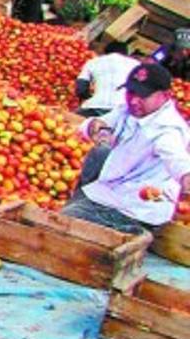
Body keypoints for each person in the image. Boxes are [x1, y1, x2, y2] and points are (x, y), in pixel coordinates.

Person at [62, 62, 190, 235]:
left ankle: (133, 231)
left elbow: (177, 159)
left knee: (65, 222)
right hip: (112, 192)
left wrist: (186, 179)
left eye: (143, 96)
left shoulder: (167, 130)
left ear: (165, 96)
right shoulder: (128, 111)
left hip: (133, 208)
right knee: (99, 155)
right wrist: (97, 127)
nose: (134, 100)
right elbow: (97, 123)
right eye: (131, 92)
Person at [75, 41, 138, 117]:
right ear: (126, 54)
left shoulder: (93, 62)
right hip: (121, 112)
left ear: (105, 52)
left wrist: (90, 97)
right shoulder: (136, 64)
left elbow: (81, 88)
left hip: (94, 108)